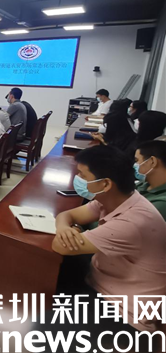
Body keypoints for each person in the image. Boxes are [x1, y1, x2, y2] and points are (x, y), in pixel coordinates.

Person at [49, 145, 166, 350]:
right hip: (103, 281)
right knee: (50, 276)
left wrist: (72, 230)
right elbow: (66, 215)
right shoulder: (115, 199)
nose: (77, 178)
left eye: (82, 175)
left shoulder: (133, 221)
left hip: (124, 311)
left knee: (43, 333)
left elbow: (61, 246)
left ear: (105, 184)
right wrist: (66, 227)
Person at [134, 140, 166, 220]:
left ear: (152, 161)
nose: (135, 165)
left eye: (137, 160)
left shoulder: (161, 204)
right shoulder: (142, 185)